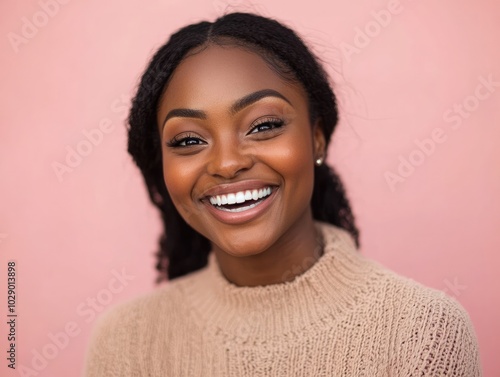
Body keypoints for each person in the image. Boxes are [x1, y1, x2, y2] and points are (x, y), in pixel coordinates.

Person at [84, 12, 481, 376]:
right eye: (188, 139)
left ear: (317, 138)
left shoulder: (423, 333)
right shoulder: (125, 343)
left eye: (263, 125)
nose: (227, 163)